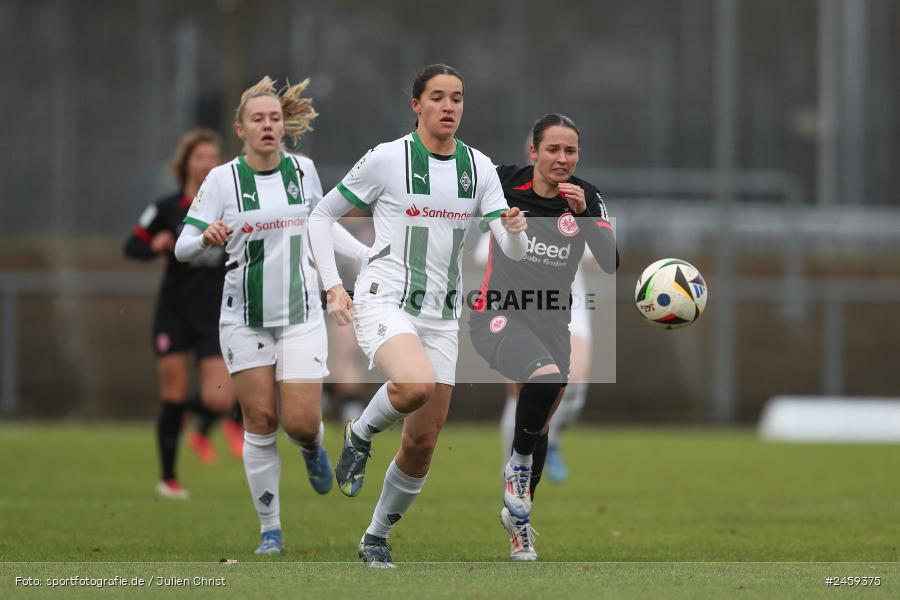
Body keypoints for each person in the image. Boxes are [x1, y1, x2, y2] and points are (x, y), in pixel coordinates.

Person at [309, 64, 528, 568]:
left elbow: (510, 249)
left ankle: (376, 536)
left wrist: (515, 231)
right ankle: (360, 433)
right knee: (414, 385)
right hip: (384, 298)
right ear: (417, 105)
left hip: (442, 316)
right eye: (437, 97)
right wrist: (333, 286)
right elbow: (320, 216)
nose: (448, 106)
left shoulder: (480, 168)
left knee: (422, 442)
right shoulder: (389, 158)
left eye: (457, 98)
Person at [174, 76, 369, 554]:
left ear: (284, 126)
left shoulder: (303, 170)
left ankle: (312, 446)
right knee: (260, 419)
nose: (268, 125)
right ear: (240, 129)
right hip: (243, 317)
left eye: (275, 118)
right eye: (257, 119)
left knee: (299, 422)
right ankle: (271, 530)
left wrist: (364, 256)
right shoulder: (222, 180)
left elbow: (320, 227)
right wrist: (205, 239)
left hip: (301, 314)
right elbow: (183, 247)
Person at [469, 113, 618, 560]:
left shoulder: (586, 196)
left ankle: (519, 522)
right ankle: (516, 467)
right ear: (533, 152)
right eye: (552, 149)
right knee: (545, 382)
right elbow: (461, 199)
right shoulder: (503, 182)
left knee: (541, 427)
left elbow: (610, 261)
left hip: (553, 323)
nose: (561, 158)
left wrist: (585, 215)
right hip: (497, 315)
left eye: (570, 150)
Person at [124, 128, 239, 500]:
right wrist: (154, 245)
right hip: (173, 313)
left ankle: (188, 420)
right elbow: (132, 246)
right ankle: (169, 478)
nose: (207, 164)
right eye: (200, 157)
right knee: (173, 393)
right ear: (187, 163)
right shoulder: (167, 208)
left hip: (214, 315)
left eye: (213, 157)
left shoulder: (231, 209)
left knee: (220, 399)